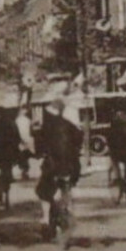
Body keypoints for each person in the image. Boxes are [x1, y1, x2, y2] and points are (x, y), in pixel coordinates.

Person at [34, 98, 84, 240]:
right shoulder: (71, 125)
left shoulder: (45, 127)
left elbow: (39, 147)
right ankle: (67, 211)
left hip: (53, 166)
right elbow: (79, 141)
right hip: (71, 166)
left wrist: (39, 153)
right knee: (67, 189)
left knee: (43, 191)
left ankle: (45, 218)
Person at [106, 108, 126, 202]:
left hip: (117, 150)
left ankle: (120, 183)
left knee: (116, 167)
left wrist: (110, 147)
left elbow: (111, 135)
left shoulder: (115, 119)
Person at [14, 107, 35, 180]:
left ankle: (23, 170)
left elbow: (15, 130)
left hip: (20, 139)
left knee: (21, 155)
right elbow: (31, 130)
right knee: (26, 155)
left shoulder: (16, 120)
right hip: (27, 138)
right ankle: (25, 170)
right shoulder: (28, 120)